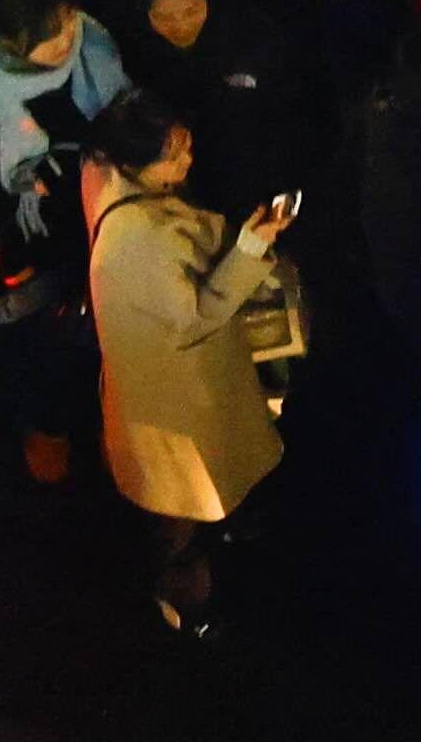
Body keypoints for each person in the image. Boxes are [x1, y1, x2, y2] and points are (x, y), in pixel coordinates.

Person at [82, 88, 299, 630]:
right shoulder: (142, 236)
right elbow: (198, 314)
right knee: (181, 493)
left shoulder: (111, 188)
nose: (187, 160)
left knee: (175, 488)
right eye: (174, 154)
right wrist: (252, 245)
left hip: (152, 381)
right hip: (179, 393)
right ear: (138, 162)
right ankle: (179, 587)